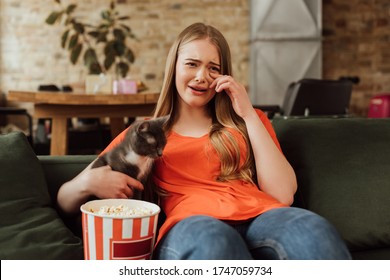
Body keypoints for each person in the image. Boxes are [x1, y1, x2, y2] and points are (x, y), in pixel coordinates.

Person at [57, 22, 351, 260]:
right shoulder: (147, 135)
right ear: (174, 68)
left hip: (262, 216)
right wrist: (88, 183)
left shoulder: (248, 120)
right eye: (192, 64)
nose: (202, 76)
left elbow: (283, 194)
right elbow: (65, 198)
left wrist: (247, 113)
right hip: (193, 225)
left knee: (312, 228)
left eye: (213, 68)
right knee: (215, 240)